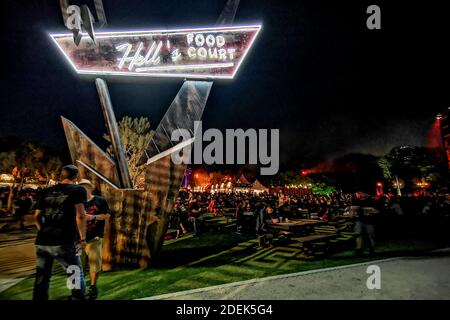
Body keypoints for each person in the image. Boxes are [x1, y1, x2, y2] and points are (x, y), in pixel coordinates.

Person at [33, 165, 87, 300]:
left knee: (42, 276)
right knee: (74, 272)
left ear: (61, 176)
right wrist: (83, 239)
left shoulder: (46, 191)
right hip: (65, 241)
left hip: (43, 241)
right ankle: (77, 298)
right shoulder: (78, 190)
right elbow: (80, 216)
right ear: (76, 177)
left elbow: (36, 217)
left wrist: (44, 232)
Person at [78, 179, 110, 300]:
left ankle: (92, 287)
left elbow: (107, 215)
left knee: (95, 266)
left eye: (85, 187)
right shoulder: (75, 202)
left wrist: (93, 216)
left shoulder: (99, 200)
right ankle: (76, 291)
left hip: (94, 238)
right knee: (75, 267)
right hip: (77, 240)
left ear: (90, 188)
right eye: (80, 187)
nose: (83, 189)